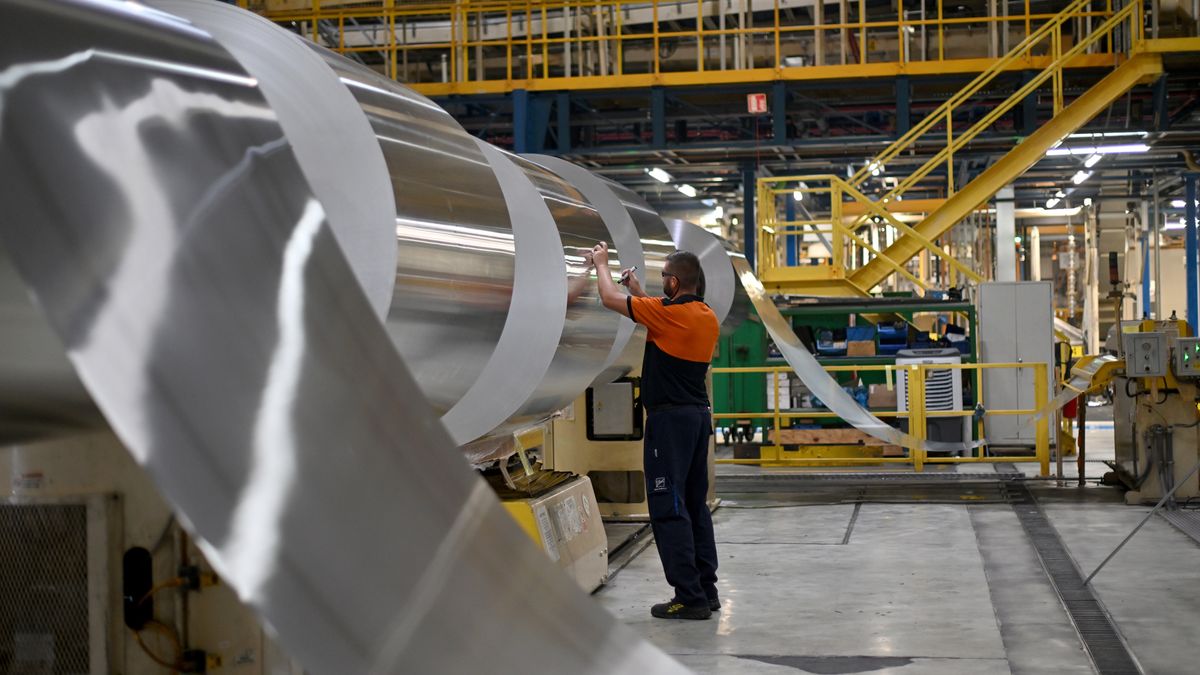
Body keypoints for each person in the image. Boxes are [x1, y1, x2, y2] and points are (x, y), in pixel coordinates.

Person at [588, 242, 720, 620]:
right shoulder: (703, 314)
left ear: (675, 282)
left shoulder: (670, 315)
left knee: (668, 506)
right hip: (697, 417)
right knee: (695, 506)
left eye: (663, 277)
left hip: (669, 423)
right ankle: (706, 591)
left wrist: (601, 264)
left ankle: (688, 597)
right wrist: (639, 292)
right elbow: (659, 316)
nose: (661, 282)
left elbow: (608, 297)